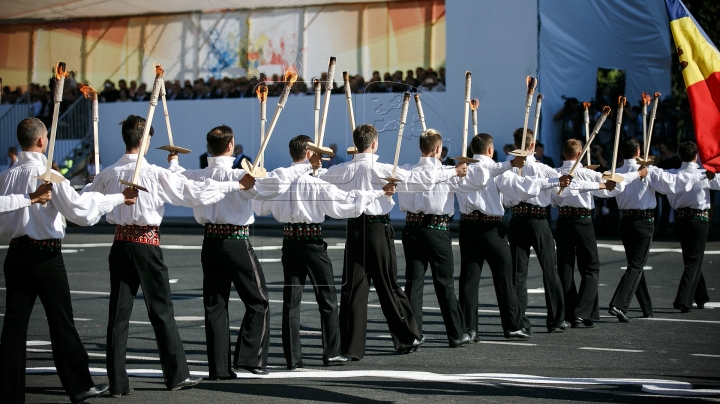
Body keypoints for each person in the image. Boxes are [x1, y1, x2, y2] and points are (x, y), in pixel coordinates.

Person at [83, 115, 250, 395]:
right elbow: (195, 193)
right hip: (146, 245)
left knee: (119, 314)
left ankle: (118, 382)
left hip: (120, 245)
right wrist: (235, 184)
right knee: (161, 312)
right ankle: (175, 375)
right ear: (146, 139)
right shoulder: (152, 174)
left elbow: (85, 203)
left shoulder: (109, 173)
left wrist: (95, 183)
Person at [0, 117, 138, 404]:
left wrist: (89, 191)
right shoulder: (46, 174)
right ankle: (78, 385)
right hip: (46, 256)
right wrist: (116, 198)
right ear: (41, 141)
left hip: (15, 253)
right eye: (47, 137)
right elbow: (79, 212)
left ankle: (8, 391)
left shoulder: (7, 175)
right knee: (61, 322)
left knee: (14, 327)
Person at [172, 127, 319, 377]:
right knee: (258, 301)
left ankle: (219, 369)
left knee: (215, 306)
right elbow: (274, 183)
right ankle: (249, 359)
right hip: (236, 242)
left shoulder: (196, 175)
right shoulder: (242, 176)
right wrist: (306, 165)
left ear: (210, 147)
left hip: (210, 243)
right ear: (230, 145)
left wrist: (173, 162)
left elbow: (176, 177)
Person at [319, 124, 466, 359]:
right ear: (375, 144)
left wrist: (316, 164)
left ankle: (351, 347)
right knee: (387, 284)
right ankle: (407, 336)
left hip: (354, 230)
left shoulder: (342, 169)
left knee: (354, 288)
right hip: (377, 228)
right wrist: (452, 172)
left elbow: (320, 179)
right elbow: (421, 181)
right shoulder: (383, 169)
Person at [255, 135, 393, 370]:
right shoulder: (315, 184)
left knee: (291, 303)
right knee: (327, 299)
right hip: (312, 242)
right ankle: (331, 352)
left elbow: (261, 207)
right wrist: (380, 192)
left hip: (289, 241)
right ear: (310, 154)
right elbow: (347, 203)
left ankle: (293, 358)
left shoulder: (279, 181)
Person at [457, 133, 573, 341]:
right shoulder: (497, 170)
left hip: (467, 227)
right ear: (490, 150)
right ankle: (512, 325)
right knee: (504, 279)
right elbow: (521, 189)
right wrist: (554, 181)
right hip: (491, 227)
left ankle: (469, 328)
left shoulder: (461, 171)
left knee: (469, 279)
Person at [504, 128, 609, 334]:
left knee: (518, 273)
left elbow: (505, 199)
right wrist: (598, 184)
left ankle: (518, 321)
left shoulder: (508, 170)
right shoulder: (543, 170)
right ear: (532, 145)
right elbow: (567, 189)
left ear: (516, 145)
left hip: (516, 218)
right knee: (549, 270)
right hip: (538, 219)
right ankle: (555, 319)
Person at [608, 138, 708, 322]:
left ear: (622, 153)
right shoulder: (649, 171)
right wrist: (702, 175)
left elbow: (606, 189)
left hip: (626, 221)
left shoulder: (617, 172)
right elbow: (674, 183)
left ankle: (646, 308)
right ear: (638, 152)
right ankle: (619, 303)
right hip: (643, 222)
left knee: (635, 264)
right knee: (636, 265)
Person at [552, 139, 646, 327]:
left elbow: (554, 201)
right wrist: (637, 174)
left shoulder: (555, 173)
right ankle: (581, 312)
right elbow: (613, 187)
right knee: (591, 267)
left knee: (566, 267)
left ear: (564, 154)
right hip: (582, 221)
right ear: (579, 154)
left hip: (563, 220)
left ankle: (569, 312)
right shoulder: (586, 173)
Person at [663, 142, 718, 313]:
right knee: (694, 260)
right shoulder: (705, 174)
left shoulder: (674, 174)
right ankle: (683, 299)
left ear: (680, 156)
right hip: (699, 219)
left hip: (682, 219)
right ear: (696, 156)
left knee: (691, 259)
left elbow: (671, 199)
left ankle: (701, 296)